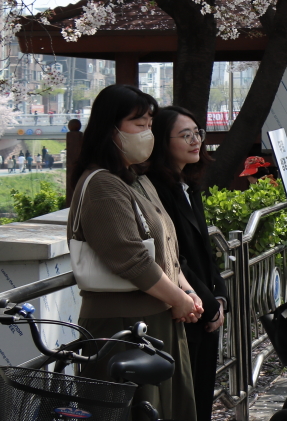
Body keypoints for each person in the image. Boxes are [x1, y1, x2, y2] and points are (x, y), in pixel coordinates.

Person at [67, 84, 202, 421]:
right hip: (123, 325)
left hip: (154, 317)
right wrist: (179, 299)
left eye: (150, 124)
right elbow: (133, 261)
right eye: (138, 124)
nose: (147, 132)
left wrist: (184, 290)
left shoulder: (136, 180)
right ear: (110, 128)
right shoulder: (102, 185)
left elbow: (166, 246)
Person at [147, 107, 228, 421]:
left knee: (202, 396)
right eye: (185, 135)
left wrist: (220, 297)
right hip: (186, 310)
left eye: (198, 133)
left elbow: (206, 253)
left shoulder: (188, 184)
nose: (196, 141)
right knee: (186, 402)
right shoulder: (157, 190)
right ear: (161, 142)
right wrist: (208, 304)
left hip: (204, 306)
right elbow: (173, 256)